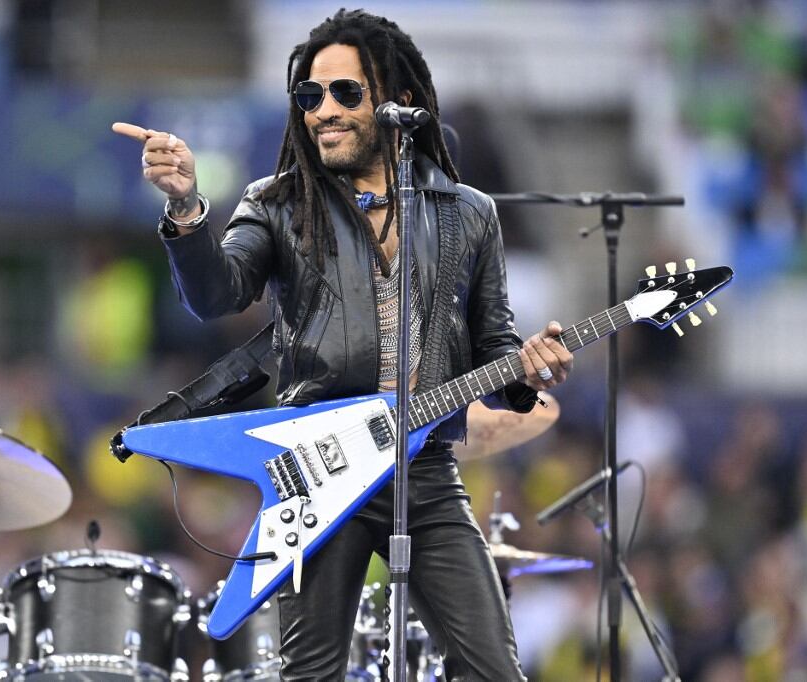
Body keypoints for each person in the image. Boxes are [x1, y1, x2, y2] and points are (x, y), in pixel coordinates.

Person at [114, 9, 573, 679]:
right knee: (312, 673)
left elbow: (495, 352)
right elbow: (217, 295)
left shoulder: (469, 214)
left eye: (344, 93)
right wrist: (186, 208)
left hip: (424, 467)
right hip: (318, 463)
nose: (322, 110)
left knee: (493, 669)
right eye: (309, 96)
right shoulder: (278, 203)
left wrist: (529, 371)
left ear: (401, 100)